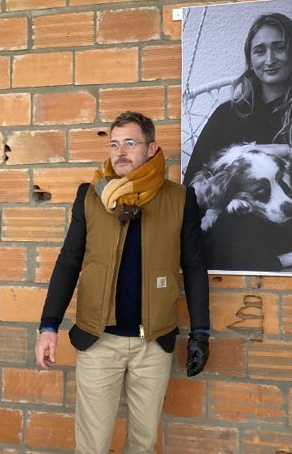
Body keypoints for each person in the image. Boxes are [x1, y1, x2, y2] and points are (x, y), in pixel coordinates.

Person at [35, 111, 210, 453]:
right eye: (114, 144)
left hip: (154, 344)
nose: (120, 152)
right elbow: (69, 262)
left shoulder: (179, 198)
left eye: (130, 143)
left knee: (142, 444)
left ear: (152, 148)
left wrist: (200, 332)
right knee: (93, 445)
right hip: (100, 341)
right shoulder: (90, 196)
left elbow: (194, 266)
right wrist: (48, 326)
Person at [183, 12, 292, 271]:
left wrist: (289, 152)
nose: (269, 59)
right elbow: (191, 186)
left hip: (291, 231)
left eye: (279, 48)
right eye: (260, 51)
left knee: (235, 230)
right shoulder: (228, 115)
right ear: (250, 60)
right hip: (225, 227)